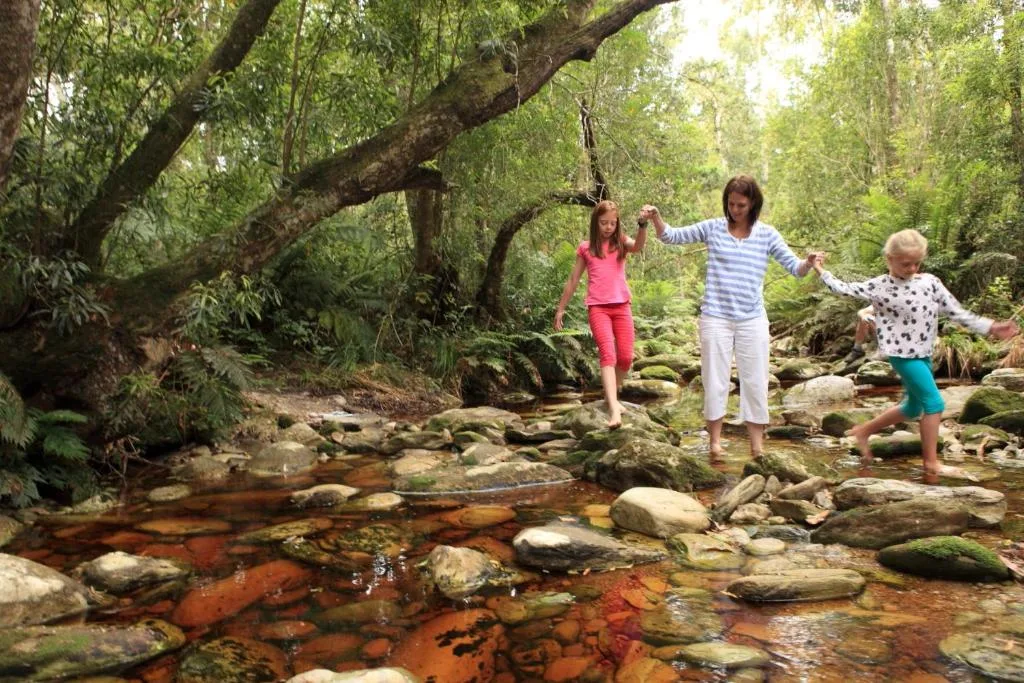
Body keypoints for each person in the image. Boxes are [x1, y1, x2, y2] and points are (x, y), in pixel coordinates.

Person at [812, 229, 1019, 477]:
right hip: (902, 355)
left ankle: (863, 431)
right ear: (889, 259)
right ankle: (930, 464)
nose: (911, 268)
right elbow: (842, 288)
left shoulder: (930, 282)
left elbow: (957, 312)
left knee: (912, 408)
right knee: (934, 403)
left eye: (916, 263)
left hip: (923, 352)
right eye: (905, 263)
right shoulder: (879, 286)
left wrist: (992, 327)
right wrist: (820, 270)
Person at [642, 175, 820, 458]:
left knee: (755, 380)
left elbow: (795, 269)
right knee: (715, 379)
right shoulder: (713, 228)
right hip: (716, 317)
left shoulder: (767, 234)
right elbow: (670, 236)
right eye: (731, 203)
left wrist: (809, 263)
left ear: (753, 204)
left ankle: (757, 446)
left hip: (752, 318)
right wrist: (656, 218)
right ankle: (714, 441)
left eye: (741, 205)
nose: (735, 209)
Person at [554, 200, 647, 429]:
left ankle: (610, 396)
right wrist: (561, 308)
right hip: (598, 308)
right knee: (608, 355)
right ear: (595, 223)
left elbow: (638, 247)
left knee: (625, 357)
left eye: (612, 223)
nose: (608, 227)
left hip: (622, 306)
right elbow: (573, 279)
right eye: (604, 223)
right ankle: (614, 408)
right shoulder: (586, 248)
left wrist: (643, 225)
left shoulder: (621, 242)